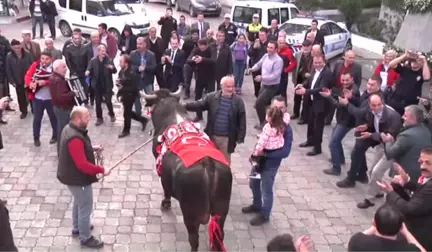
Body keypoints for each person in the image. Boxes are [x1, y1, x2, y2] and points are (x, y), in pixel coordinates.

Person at [357, 105, 431, 209]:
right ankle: (377, 193)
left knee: (378, 175)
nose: (402, 117)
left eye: (405, 116)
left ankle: (374, 201)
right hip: (408, 161)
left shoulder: (407, 134)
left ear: (413, 119)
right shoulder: (424, 130)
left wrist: (388, 141)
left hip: (402, 164)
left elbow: (391, 153)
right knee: (375, 172)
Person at [56, 106, 106, 249]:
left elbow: (80, 150)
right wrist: (102, 169)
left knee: (78, 201)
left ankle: (77, 227)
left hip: (70, 175)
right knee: (85, 205)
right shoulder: (75, 137)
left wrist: (93, 148)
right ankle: (85, 237)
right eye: (86, 117)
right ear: (77, 119)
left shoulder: (70, 128)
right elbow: (83, 164)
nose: (89, 119)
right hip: (76, 177)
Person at [242, 95, 293, 226]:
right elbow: (263, 139)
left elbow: (285, 152)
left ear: (286, 109)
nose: (279, 111)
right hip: (259, 162)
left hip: (270, 165)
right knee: (253, 183)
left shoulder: (287, 128)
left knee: (266, 189)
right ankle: (256, 205)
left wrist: (265, 154)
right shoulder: (270, 119)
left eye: (281, 108)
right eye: (276, 107)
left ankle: (265, 215)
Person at [336, 94, 401, 188]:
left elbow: (388, 135)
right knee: (357, 149)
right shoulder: (370, 110)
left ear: (382, 102)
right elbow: (374, 122)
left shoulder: (393, 116)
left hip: (388, 141)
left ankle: (374, 189)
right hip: (376, 134)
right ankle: (354, 177)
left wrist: (370, 135)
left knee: (376, 170)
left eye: (379, 104)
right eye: (373, 105)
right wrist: (367, 126)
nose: (377, 107)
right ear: (369, 105)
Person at [377, 146, 432, 252]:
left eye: (428, 163)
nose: (422, 167)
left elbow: (409, 209)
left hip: (420, 234)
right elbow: (422, 192)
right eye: (421, 162)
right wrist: (406, 182)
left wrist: (390, 192)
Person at [182, 76, 246, 162]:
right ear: (222, 86)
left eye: (232, 86)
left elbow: (242, 120)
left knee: (224, 163)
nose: (231, 89)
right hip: (212, 136)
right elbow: (199, 105)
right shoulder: (211, 97)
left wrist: (240, 137)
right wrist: (185, 105)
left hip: (226, 139)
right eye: (228, 86)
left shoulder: (238, 101)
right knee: (209, 162)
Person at [296, 54, 334, 156]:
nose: (317, 65)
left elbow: (321, 88)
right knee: (310, 122)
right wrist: (302, 84)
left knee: (318, 126)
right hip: (313, 102)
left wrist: (305, 91)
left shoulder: (327, 73)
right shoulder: (315, 70)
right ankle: (310, 140)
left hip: (321, 104)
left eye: (319, 63)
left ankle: (317, 148)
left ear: (324, 62)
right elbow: (310, 80)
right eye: (315, 63)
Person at [348, 204, 426, 252]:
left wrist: (374, 227)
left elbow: (361, 234)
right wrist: (406, 232)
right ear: (401, 227)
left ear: (374, 222)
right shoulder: (409, 250)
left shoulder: (357, 241)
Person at [24, 51, 57, 147]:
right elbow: (28, 76)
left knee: (53, 118)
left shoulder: (55, 66)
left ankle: (55, 135)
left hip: (50, 98)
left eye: (47, 59)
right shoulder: (36, 65)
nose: (44, 61)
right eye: (42, 58)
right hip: (37, 98)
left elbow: (57, 79)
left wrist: (45, 82)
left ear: (51, 59)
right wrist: (30, 83)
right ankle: (36, 137)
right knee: (37, 119)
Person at [248, 40, 284, 130]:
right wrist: (252, 69)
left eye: (271, 48)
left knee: (259, 103)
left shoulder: (278, 61)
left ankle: (264, 123)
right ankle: (265, 123)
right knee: (262, 105)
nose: (269, 49)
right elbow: (259, 64)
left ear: (276, 49)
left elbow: (275, 75)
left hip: (272, 86)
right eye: (268, 47)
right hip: (264, 85)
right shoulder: (265, 56)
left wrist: (262, 78)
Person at [249, 106, 290, 179]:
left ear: (269, 118)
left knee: (256, 158)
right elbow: (287, 117)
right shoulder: (282, 124)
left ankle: (256, 171)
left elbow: (263, 141)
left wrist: (257, 151)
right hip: (278, 146)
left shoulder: (267, 128)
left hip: (269, 147)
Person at [117, 55, 148, 138]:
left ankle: (126, 130)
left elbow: (134, 88)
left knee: (126, 114)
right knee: (128, 112)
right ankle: (143, 119)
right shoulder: (121, 71)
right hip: (124, 95)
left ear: (126, 63)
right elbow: (120, 81)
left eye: (121, 62)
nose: (119, 64)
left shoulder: (132, 74)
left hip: (130, 96)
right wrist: (119, 88)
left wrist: (123, 87)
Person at [85, 45, 117, 126]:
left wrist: (112, 68)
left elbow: (115, 71)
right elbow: (89, 69)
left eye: (104, 51)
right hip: (97, 85)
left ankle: (112, 114)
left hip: (107, 84)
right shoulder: (93, 60)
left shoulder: (109, 59)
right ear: (98, 52)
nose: (104, 52)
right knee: (98, 102)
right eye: (102, 51)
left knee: (108, 101)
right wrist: (88, 71)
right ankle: (99, 118)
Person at [50, 59, 77, 152]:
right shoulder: (59, 80)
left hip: (59, 108)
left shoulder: (55, 77)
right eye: (63, 67)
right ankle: (62, 154)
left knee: (61, 130)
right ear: (57, 69)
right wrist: (73, 93)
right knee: (64, 132)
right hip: (63, 109)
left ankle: (62, 153)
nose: (66, 69)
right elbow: (60, 96)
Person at [187, 39, 216, 122]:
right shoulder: (196, 50)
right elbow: (188, 60)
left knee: (211, 97)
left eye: (203, 48)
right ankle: (198, 115)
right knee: (198, 97)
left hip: (210, 77)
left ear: (207, 45)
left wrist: (202, 59)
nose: (201, 49)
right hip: (199, 77)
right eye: (200, 47)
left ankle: (211, 116)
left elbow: (213, 61)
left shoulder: (211, 50)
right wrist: (193, 59)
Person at [6, 39, 33, 119]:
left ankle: (34, 108)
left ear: (21, 46)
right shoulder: (9, 56)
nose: (17, 50)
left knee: (31, 94)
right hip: (18, 80)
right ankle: (23, 111)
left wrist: (32, 78)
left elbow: (33, 66)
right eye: (15, 48)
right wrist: (12, 81)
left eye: (18, 47)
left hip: (28, 79)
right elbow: (8, 69)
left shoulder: (27, 54)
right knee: (20, 97)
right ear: (12, 48)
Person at [130, 37, 157, 116]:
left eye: (140, 44)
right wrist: (137, 68)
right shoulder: (132, 54)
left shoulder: (151, 55)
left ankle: (152, 114)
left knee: (150, 98)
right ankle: (138, 114)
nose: (138, 46)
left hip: (147, 80)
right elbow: (130, 66)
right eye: (137, 44)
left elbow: (154, 67)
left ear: (145, 44)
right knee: (136, 98)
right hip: (137, 80)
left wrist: (146, 68)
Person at [292, 39, 313, 123]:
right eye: (304, 46)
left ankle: (304, 117)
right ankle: (295, 113)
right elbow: (294, 66)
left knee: (306, 99)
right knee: (296, 97)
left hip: (308, 79)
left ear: (310, 47)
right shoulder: (297, 54)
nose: (305, 48)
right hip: (299, 78)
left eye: (307, 47)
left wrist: (309, 74)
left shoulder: (313, 56)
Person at [248, 30, 268, 97]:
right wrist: (254, 48)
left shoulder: (269, 44)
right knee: (256, 84)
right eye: (260, 35)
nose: (261, 37)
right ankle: (257, 96)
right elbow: (249, 54)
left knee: (266, 85)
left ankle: (264, 98)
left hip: (266, 67)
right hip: (256, 67)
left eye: (263, 35)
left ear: (266, 35)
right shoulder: (255, 43)